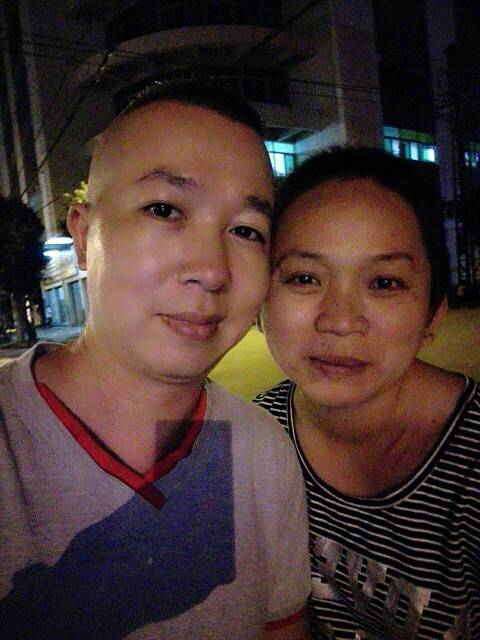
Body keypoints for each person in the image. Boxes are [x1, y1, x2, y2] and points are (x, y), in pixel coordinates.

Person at [0, 81, 311, 639]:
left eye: (246, 230)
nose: (212, 270)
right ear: (83, 234)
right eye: (164, 209)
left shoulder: (262, 450)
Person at [255, 146, 480, 639]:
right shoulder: (252, 440)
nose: (339, 320)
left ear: (434, 314)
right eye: (304, 278)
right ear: (260, 300)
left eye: (384, 282)